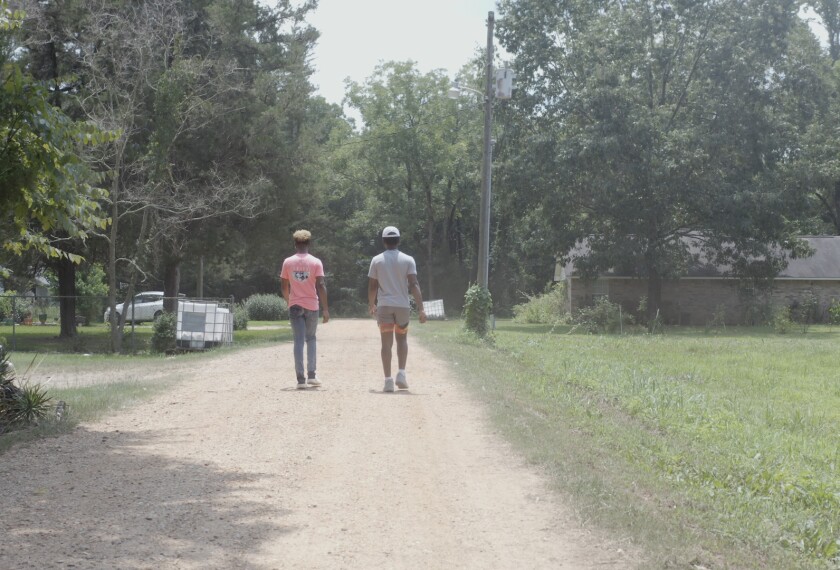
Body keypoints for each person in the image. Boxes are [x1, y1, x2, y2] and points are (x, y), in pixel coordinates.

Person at [368, 226, 427, 392]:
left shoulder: (377, 260)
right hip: (402, 306)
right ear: (399, 240)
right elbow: (414, 284)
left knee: (386, 344)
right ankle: (401, 374)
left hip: (384, 306)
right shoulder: (408, 260)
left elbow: (373, 286)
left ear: (384, 241)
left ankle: (388, 380)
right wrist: (421, 308)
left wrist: (371, 304)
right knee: (402, 339)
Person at [280, 229, 330, 389]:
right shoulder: (316, 262)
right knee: (311, 338)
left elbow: (283, 286)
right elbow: (321, 285)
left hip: (295, 305)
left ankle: (300, 379)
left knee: (298, 341)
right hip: (312, 306)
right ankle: (312, 375)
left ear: (295, 244)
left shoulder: (288, 262)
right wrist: (326, 309)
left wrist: (290, 300)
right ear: (308, 243)